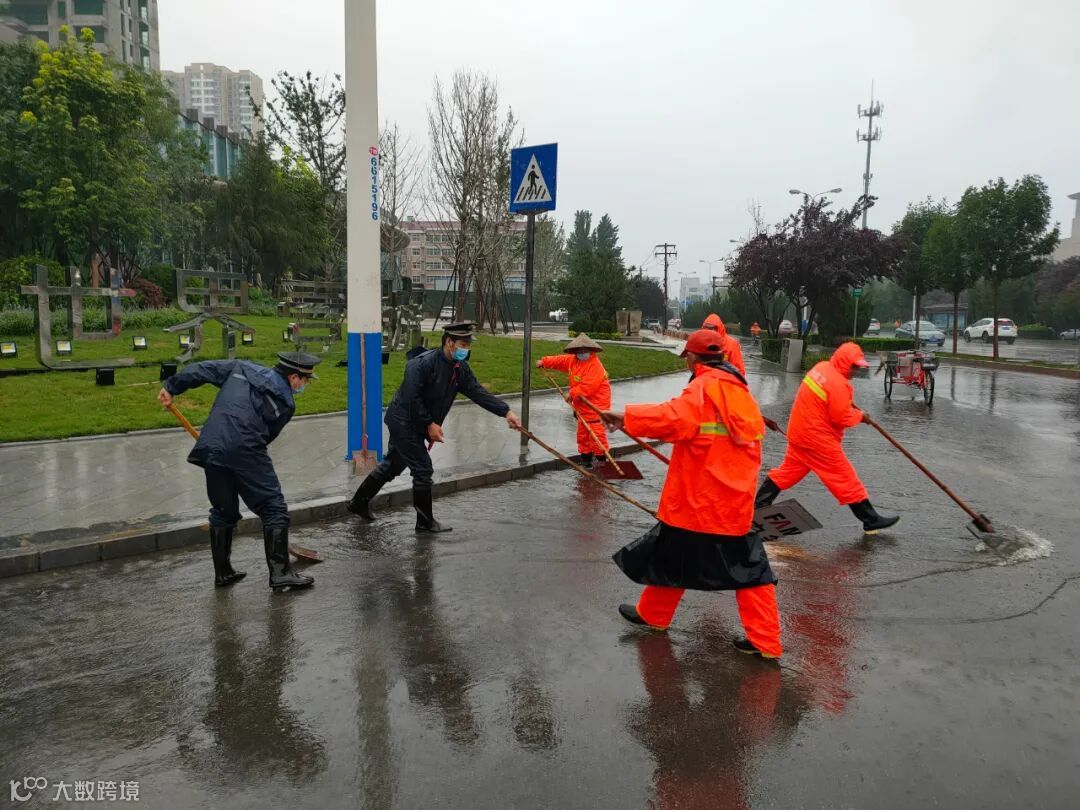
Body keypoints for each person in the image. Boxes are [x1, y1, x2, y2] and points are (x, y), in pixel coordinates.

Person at [600, 329, 783, 659]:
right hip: (732, 503)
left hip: (698, 501)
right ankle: (656, 615)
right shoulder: (741, 392)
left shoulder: (702, 388)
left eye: (687, 357)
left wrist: (625, 416)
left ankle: (764, 641)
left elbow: (672, 418)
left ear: (694, 358)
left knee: (695, 559)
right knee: (734, 567)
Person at [157, 352, 320, 591]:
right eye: (305, 380)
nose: (305, 385)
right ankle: (281, 573)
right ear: (294, 377)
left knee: (223, 510)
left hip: (212, 445)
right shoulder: (286, 404)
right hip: (246, 449)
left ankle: (223, 573)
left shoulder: (240, 368)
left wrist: (171, 387)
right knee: (273, 507)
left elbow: (202, 369)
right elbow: (267, 436)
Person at [348, 322, 522, 532]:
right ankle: (424, 522)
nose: (466, 349)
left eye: (468, 345)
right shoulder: (422, 364)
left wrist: (506, 412)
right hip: (404, 421)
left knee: (392, 465)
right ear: (449, 342)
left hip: (416, 424)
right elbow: (412, 398)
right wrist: (429, 424)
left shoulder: (459, 368)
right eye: (463, 344)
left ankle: (358, 503)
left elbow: (477, 391)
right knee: (423, 469)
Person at [754, 342, 899, 533]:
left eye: (858, 367)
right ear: (844, 362)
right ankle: (870, 519)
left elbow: (826, 401)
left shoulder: (821, 368)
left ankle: (759, 505)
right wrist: (861, 416)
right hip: (817, 440)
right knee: (844, 477)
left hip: (800, 434)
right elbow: (841, 417)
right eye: (854, 367)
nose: (856, 371)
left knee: (788, 472)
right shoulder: (839, 384)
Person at [536, 333, 611, 468]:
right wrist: (544, 362)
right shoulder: (573, 360)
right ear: (575, 351)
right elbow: (560, 361)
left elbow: (588, 387)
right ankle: (586, 461)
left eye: (584, 350)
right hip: (581, 408)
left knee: (597, 437)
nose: (582, 353)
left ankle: (602, 463)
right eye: (579, 351)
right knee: (582, 437)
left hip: (596, 408)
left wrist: (571, 394)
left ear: (590, 350)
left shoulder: (595, 366)